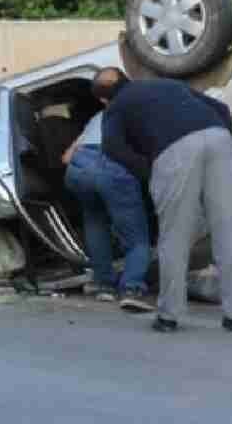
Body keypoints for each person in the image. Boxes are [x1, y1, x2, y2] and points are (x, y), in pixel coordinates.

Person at [92, 67, 232, 333]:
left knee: (175, 236)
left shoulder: (116, 107)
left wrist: (150, 170)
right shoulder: (165, 84)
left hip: (174, 152)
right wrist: (226, 141)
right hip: (218, 137)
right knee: (228, 231)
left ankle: (169, 316)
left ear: (103, 100)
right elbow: (221, 108)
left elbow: (112, 147)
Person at [61, 98, 154, 313]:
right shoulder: (140, 115)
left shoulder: (97, 118)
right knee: (136, 235)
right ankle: (131, 289)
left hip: (78, 168)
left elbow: (66, 157)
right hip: (111, 166)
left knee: (95, 221)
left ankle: (104, 285)